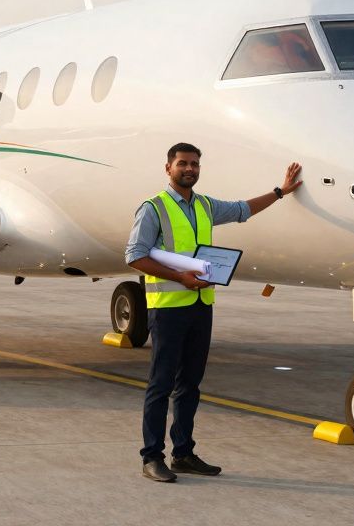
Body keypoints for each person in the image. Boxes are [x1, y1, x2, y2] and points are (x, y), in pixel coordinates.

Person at [126, 142, 301, 483]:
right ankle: (151, 457)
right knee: (160, 386)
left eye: (194, 164)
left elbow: (242, 210)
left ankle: (183, 454)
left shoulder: (204, 205)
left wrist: (281, 191)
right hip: (168, 309)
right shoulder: (153, 208)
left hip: (201, 306)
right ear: (168, 168)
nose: (189, 169)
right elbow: (134, 255)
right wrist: (180, 277)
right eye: (182, 164)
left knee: (190, 385)